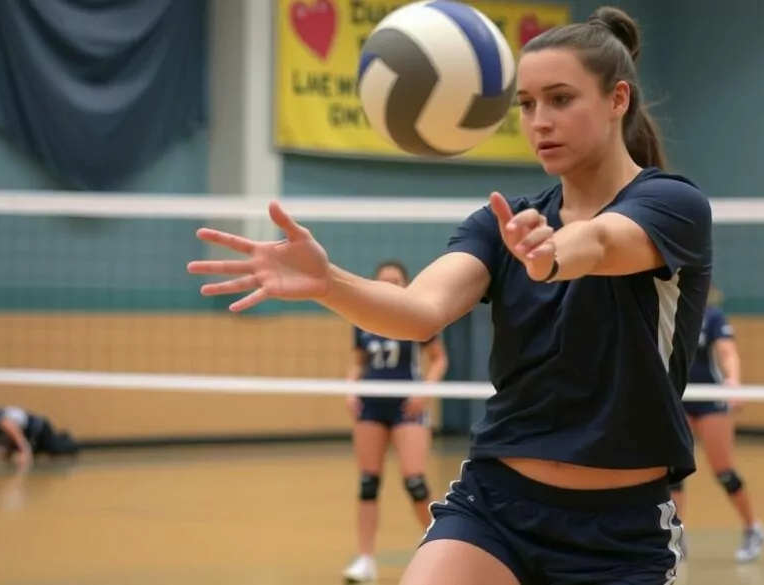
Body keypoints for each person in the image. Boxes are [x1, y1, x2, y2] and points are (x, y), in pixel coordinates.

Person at [188, 6, 712, 584]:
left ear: (617, 100)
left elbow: (607, 241)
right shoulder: (501, 222)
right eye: (527, 104)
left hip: (619, 531)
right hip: (496, 507)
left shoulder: (673, 206)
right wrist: (328, 282)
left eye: (561, 99)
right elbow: (419, 312)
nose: (539, 120)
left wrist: (553, 254)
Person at [343, 260, 450, 583]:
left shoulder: (416, 317)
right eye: (384, 281)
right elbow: (358, 361)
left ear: (406, 284)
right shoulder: (362, 319)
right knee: (367, 483)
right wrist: (349, 388)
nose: (390, 285)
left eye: (396, 281)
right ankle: (365, 560)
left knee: (415, 482)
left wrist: (425, 392)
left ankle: (442, 549)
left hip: (407, 406)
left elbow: (440, 359)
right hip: (371, 404)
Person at [670, 285, 764, 562]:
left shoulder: (712, 317)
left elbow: (726, 352)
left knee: (723, 470)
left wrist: (733, 382)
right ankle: (676, 535)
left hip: (711, 399)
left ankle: (752, 528)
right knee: (674, 469)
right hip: (680, 398)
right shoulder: (666, 314)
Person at [0, 403, 80, 465]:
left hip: (38, 429)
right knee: (43, 453)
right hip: (30, 437)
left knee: (57, 449)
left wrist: (25, 452)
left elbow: (16, 434)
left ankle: (68, 439)